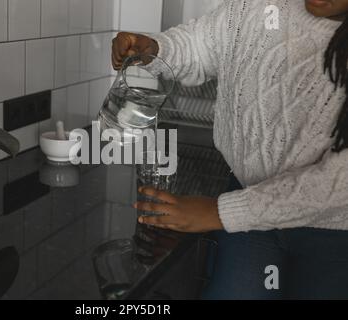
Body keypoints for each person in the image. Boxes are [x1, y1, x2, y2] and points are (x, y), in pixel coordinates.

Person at [112, 0, 348, 299]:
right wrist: (154, 48)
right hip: (250, 212)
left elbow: (341, 182)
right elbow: (199, 46)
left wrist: (220, 213)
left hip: (331, 230)